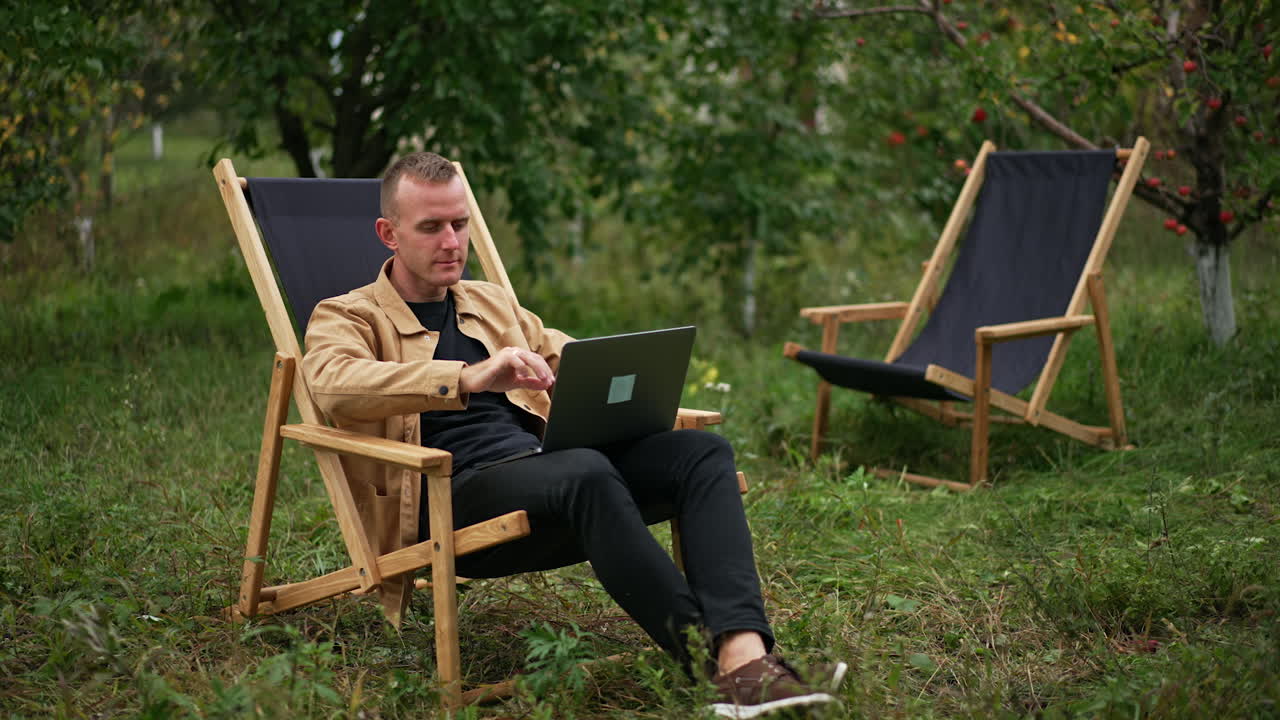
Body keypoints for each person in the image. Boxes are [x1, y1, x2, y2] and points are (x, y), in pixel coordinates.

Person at [302, 151, 845, 718]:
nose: (451, 242)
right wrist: (467, 376)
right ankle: (720, 667)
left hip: (550, 478)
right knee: (584, 469)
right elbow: (336, 384)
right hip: (451, 500)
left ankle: (744, 652)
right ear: (389, 233)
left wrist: (585, 377)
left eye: (460, 224)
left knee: (700, 453)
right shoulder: (347, 316)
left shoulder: (489, 302)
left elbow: (566, 353)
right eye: (431, 227)